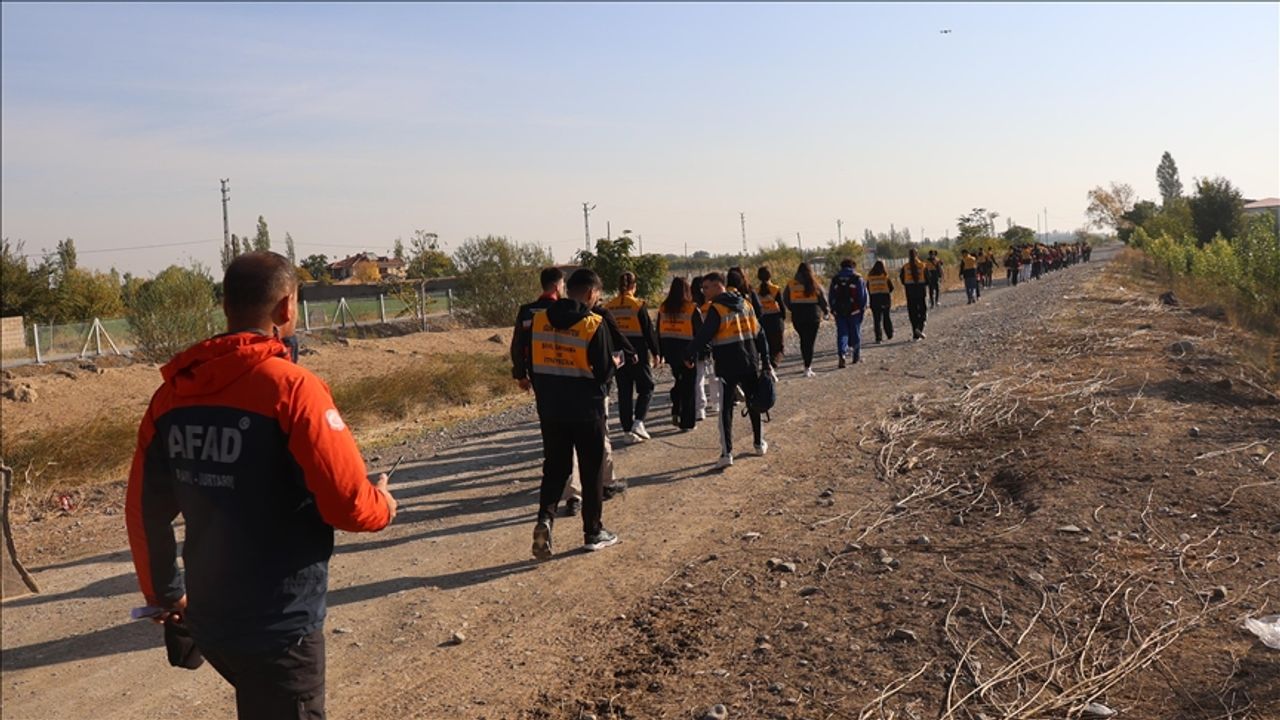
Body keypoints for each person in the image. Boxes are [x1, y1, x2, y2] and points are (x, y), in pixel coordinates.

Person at [126, 251, 398, 720]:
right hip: (279, 627)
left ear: (225, 305)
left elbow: (144, 509)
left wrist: (165, 594)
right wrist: (384, 504)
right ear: (287, 306)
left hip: (212, 621)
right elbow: (348, 504)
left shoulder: (170, 396)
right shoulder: (292, 388)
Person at [529, 268, 620, 559]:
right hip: (586, 409)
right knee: (591, 470)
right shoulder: (594, 324)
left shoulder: (539, 320)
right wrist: (616, 363)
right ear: (592, 293)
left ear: (568, 290)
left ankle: (545, 519)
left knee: (555, 468)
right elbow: (603, 372)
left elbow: (530, 362)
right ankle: (593, 531)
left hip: (551, 409)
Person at [684, 272, 775, 469]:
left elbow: (704, 335)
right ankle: (759, 444)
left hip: (727, 366)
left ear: (719, 286)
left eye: (706, 287)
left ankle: (727, 453)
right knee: (754, 403)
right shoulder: (746, 304)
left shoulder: (717, 309)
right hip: (750, 361)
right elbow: (760, 334)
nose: (703, 291)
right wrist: (766, 360)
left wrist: (689, 354)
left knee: (725, 409)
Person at [603, 272, 660, 444]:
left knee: (624, 391)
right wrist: (656, 352)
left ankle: (627, 431)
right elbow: (648, 331)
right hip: (637, 352)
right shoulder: (638, 305)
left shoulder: (609, 306)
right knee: (647, 386)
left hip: (618, 354)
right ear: (633, 286)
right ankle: (639, 421)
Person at [657, 277, 701, 431]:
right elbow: (700, 333)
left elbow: (658, 331)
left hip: (670, 352)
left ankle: (676, 407)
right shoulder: (692, 308)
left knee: (679, 380)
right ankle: (687, 422)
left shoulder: (663, 308)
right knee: (689, 386)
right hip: (688, 352)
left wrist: (660, 353)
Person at [782, 262, 828, 377]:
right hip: (813, 317)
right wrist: (826, 311)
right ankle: (808, 367)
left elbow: (785, 299)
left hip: (798, 317)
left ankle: (806, 364)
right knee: (810, 342)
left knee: (803, 340)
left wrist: (792, 308)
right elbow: (822, 299)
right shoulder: (815, 283)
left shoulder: (791, 284)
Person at [828, 258, 868, 367]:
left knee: (842, 334)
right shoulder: (857, 278)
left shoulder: (835, 279)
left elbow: (831, 295)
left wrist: (833, 309)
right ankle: (856, 355)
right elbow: (863, 296)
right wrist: (862, 308)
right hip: (855, 311)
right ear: (853, 266)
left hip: (839, 311)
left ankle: (842, 354)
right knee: (855, 333)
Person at [690, 275, 720, 420]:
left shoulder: (692, 307)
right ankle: (716, 402)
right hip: (714, 344)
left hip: (698, 345)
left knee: (699, 378)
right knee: (714, 375)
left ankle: (700, 409)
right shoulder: (712, 306)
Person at [756, 266, 786, 367]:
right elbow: (782, 306)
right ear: (770, 275)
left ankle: (768, 364)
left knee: (767, 344)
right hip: (775, 319)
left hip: (763, 320)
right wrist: (782, 318)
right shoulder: (775, 289)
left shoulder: (756, 291)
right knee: (778, 346)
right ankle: (774, 362)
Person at [899, 248, 929, 340]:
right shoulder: (923, 265)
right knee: (923, 311)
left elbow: (902, 280)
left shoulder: (905, 267)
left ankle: (915, 333)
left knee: (913, 312)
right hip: (921, 291)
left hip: (910, 292)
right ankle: (919, 328)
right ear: (917, 254)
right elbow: (928, 279)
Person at [866, 260, 894, 344]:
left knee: (877, 320)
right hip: (885, 300)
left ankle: (878, 338)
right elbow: (891, 288)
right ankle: (889, 334)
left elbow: (868, 288)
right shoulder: (885, 277)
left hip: (874, 300)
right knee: (886, 317)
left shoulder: (870, 278)